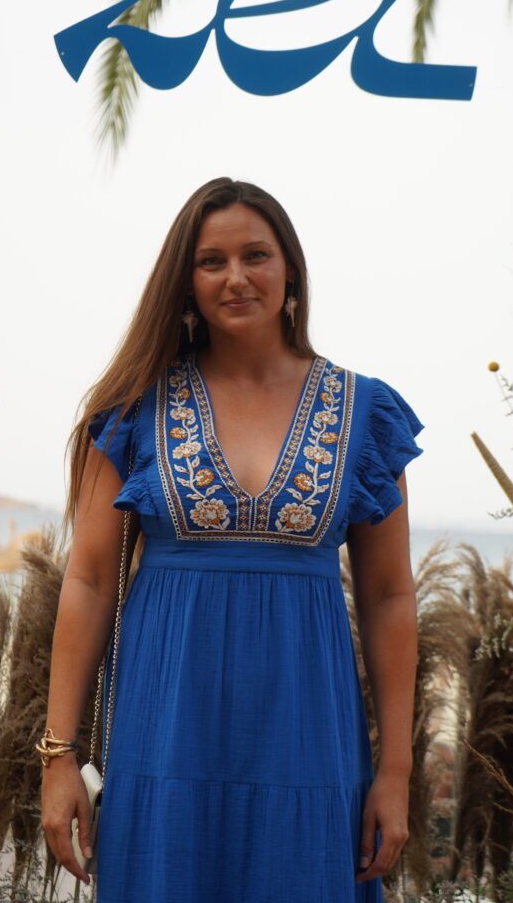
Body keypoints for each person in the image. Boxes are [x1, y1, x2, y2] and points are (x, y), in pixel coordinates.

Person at [40, 176, 423, 903]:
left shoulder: (365, 412)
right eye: (211, 261)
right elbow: (87, 581)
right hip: (162, 734)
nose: (236, 277)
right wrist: (58, 757)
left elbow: (387, 596)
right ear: (185, 283)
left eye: (256, 255)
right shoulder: (133, 408)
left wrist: (395, 772)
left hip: (310, 740)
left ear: (291, 272)